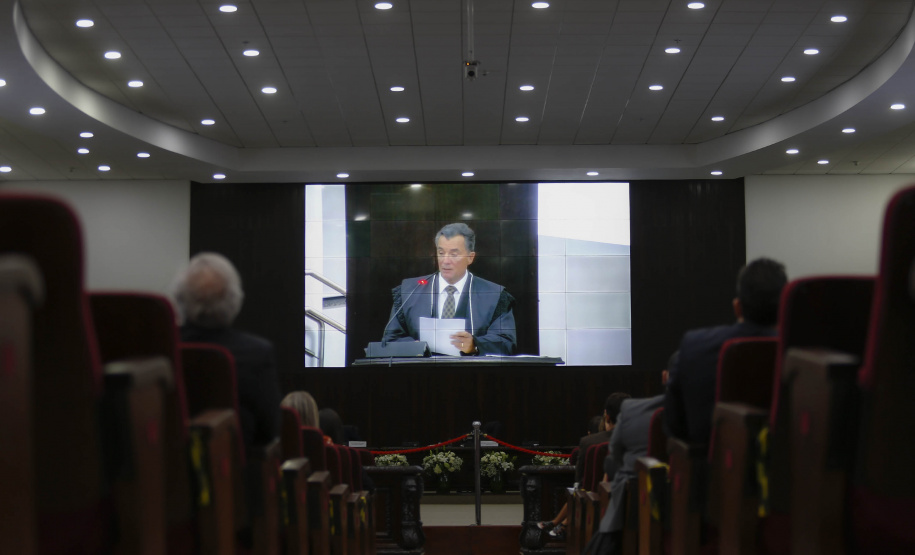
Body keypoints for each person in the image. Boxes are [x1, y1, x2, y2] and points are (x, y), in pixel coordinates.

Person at [664, 257, 787, 444]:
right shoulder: (802, 355)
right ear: (784, 307)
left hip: (709, 461)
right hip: (787, 463)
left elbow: (674, 425)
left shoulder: (693, 347)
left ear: (737, 307)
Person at [173, 252, 281, 451]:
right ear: (234, 299)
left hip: (166, 466)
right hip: (234, 467)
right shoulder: (257, 354)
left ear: (180, 297)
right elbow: (269, 432)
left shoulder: (162, 348)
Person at [583, 356, 675, 555]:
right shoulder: (719, 417)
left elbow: (613, 461)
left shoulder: (633, 411)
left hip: (633, 509)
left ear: (665, 376)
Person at [381, 222, 516, 355]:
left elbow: (506, 343)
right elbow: (390, 340)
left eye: (454, 254)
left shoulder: (494, 295)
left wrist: (475, 345)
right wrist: (413, 347)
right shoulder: (410, 291)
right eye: (441, 253)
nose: (445, 261)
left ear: (470, 257)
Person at [539, 393, 631, 539]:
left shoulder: (589, 442)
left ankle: (560, 524)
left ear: (607, 417)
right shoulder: (642, 440)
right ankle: (559, 523)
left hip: (594, 507)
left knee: (578, 492)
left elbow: (580, 481)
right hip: (635, 506)